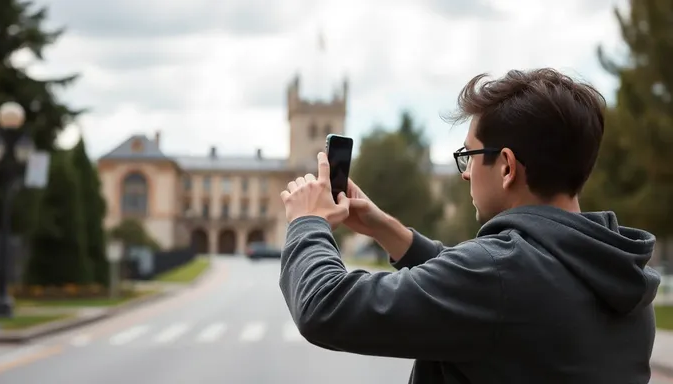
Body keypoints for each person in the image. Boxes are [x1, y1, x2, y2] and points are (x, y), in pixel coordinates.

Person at [278, 68, 660, 384]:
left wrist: (307, 222)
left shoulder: (497, 275)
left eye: (470, 156)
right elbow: (491, 287)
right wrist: (387, 230)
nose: (465, 174)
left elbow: (325, 307)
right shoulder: (622, 276)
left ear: (507, 167)